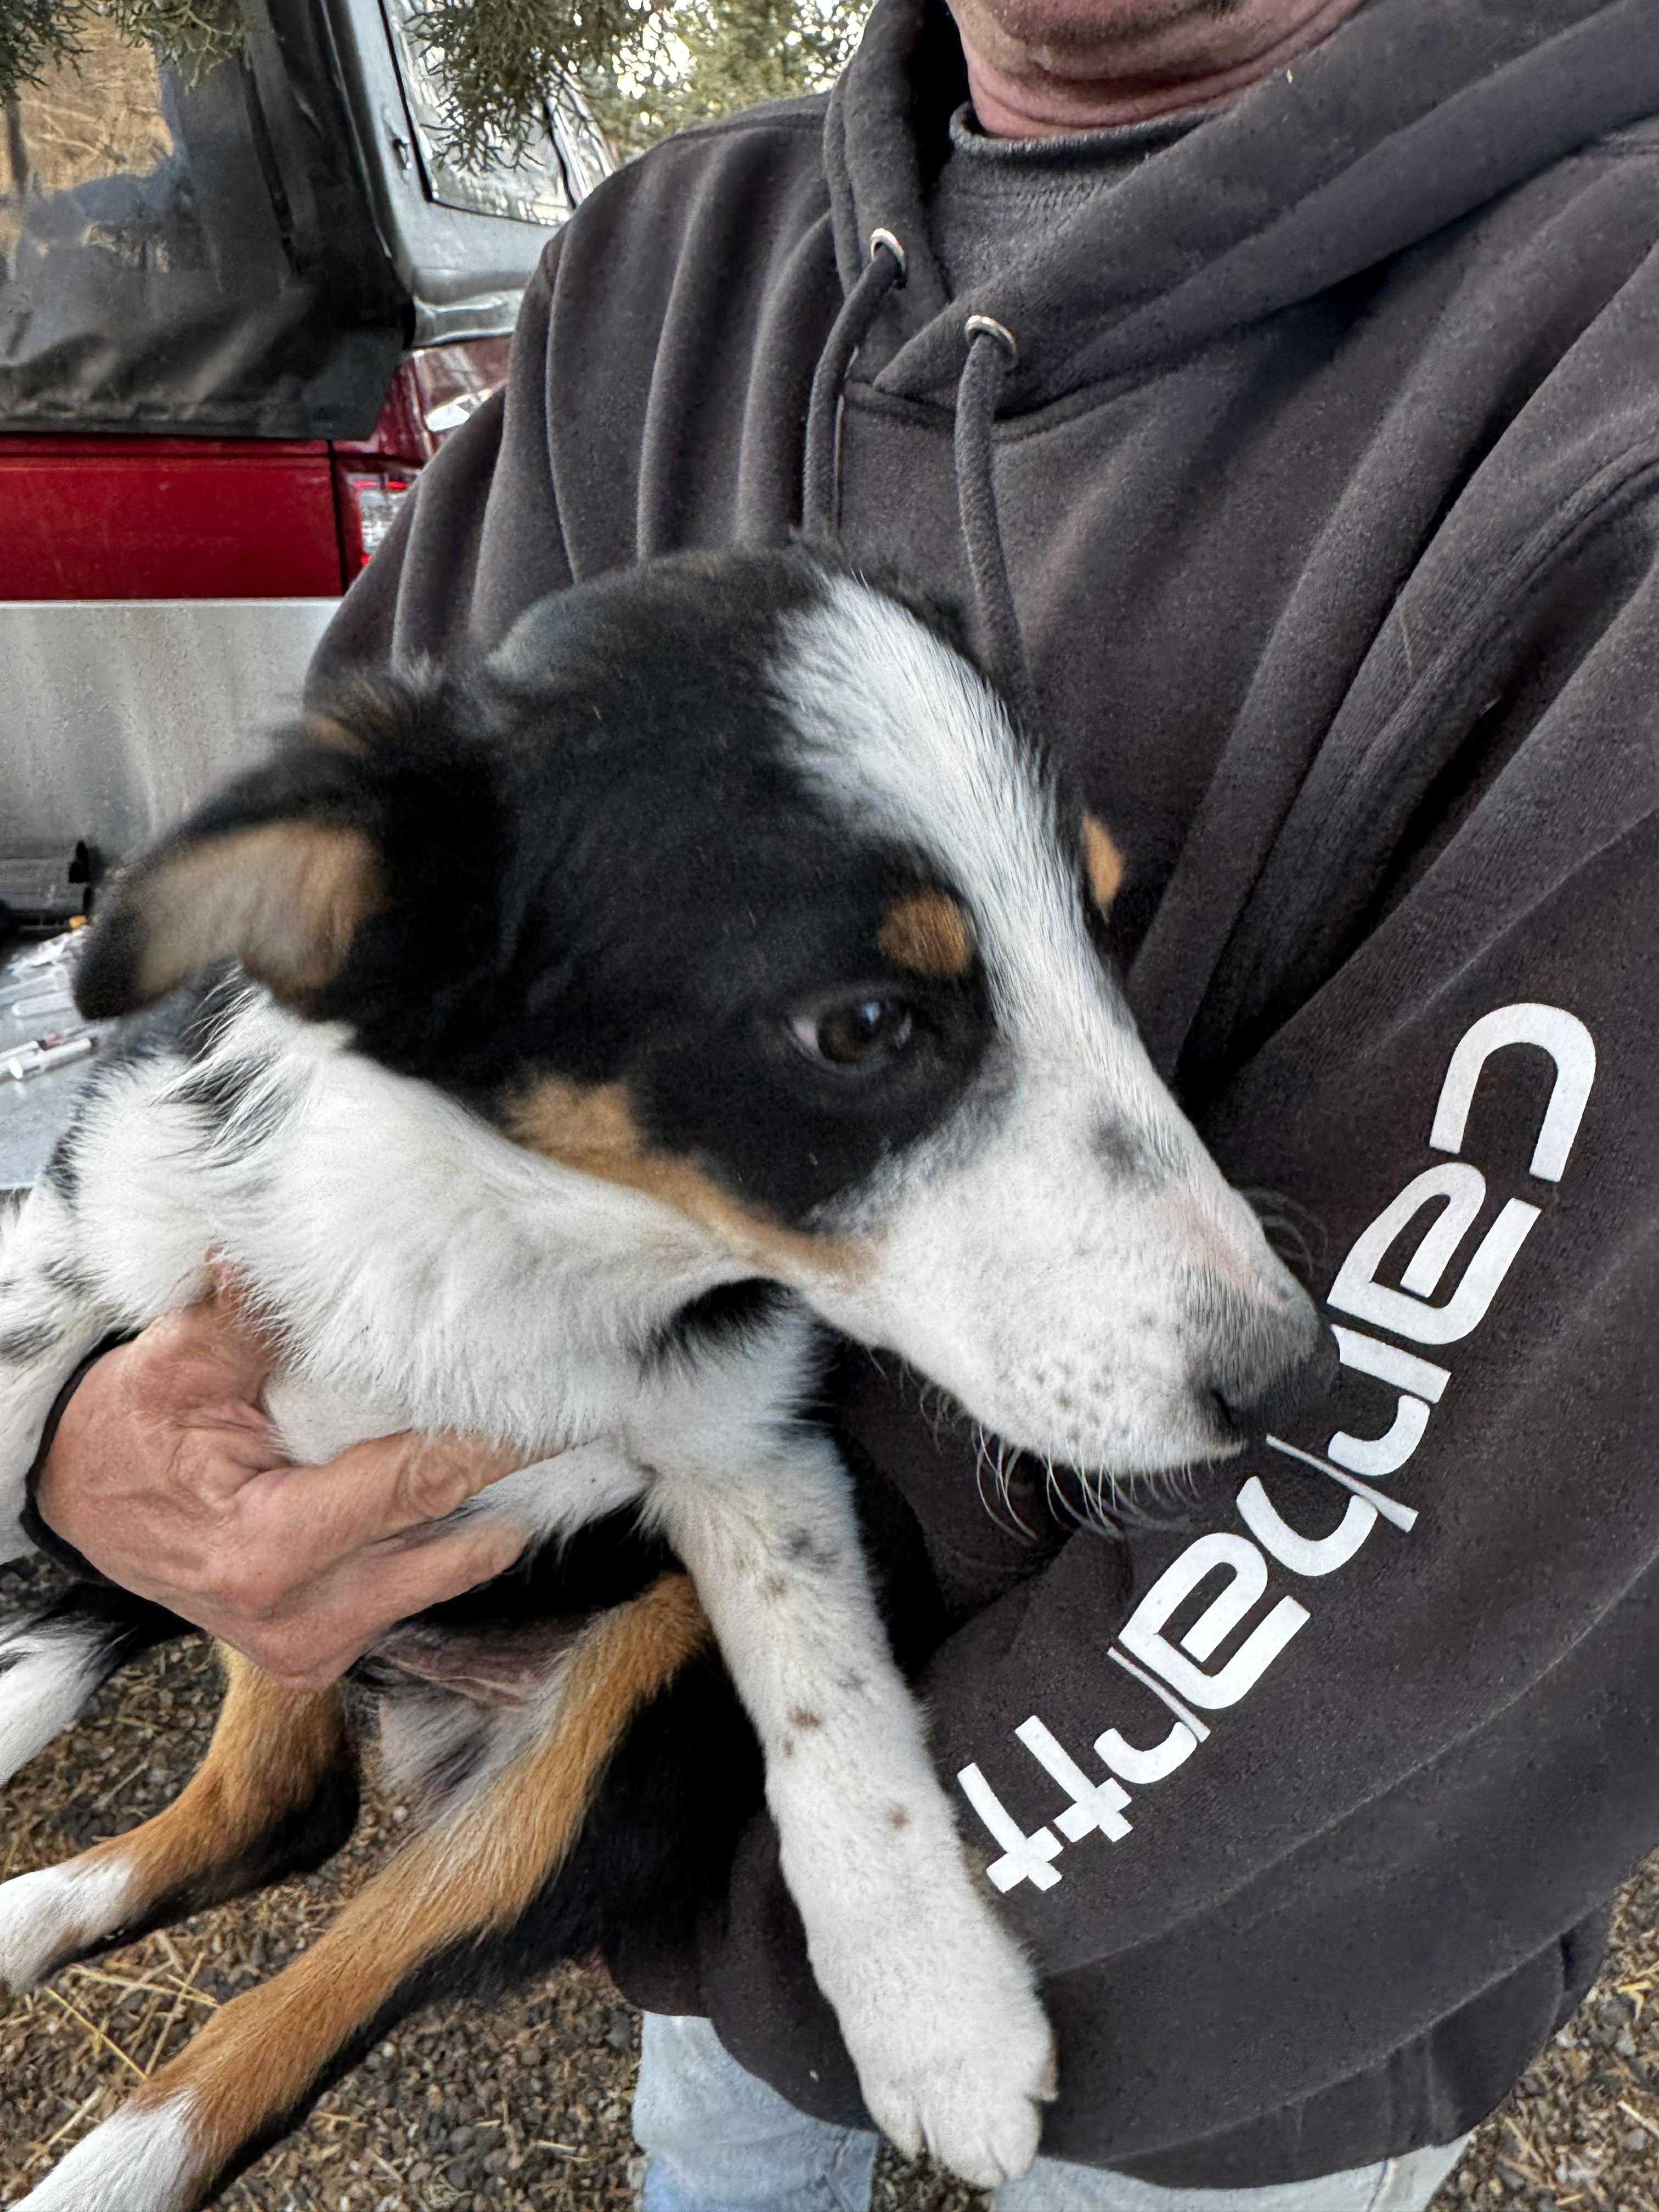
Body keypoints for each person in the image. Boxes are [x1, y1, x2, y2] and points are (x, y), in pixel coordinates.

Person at [30, 0, 1659, 2205]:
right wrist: (73, 1438)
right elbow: (276, 1014)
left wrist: (758, 1886)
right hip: (719, 1947)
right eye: (875, 1032)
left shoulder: (1608, 361)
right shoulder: (652, 270)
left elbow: (1437, 1487)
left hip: (1223, 2037)